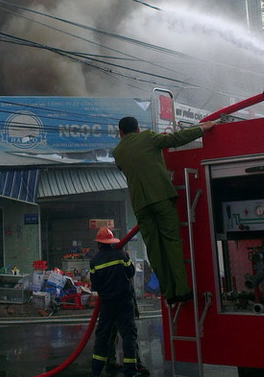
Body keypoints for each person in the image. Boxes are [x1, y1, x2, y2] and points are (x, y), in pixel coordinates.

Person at [113, 115, 215, 306]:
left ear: (120, 133)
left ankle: (169, 293)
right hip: (161, 198)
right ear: (138, 130)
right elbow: (175, 139)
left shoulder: (117, 152)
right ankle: (183, 290)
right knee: (172, 243)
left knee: (154, 250)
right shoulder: (148, 137)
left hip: (140, 205)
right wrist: (202, 128)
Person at [89, 227, 138, 377]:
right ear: (111, 242)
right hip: (125, 302)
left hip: (108, 304)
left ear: (99, 244)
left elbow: (95, 286)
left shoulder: (94, 261)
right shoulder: (121, 255)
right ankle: (130, 369)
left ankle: (96, 370)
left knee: (103, 336)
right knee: (128, 335)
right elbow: (131, 272)